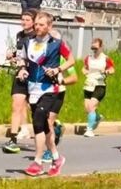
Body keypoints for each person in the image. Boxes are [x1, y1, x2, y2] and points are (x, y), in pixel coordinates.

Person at [19, 11, 69, 175]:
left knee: (39, 118)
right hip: (33, 88)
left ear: (49, 26)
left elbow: (71, 60)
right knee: (41, 126)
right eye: (37, 24)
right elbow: (24, 61)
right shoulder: (28, 42)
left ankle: (37, 162)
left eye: (41, 25)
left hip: (50, 89)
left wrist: (58, 69)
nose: (38, 27)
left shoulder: (57, 43)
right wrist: (22, 70)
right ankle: (56, 158)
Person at [4, 10, 36, 153]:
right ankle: (13, 139)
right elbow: (20, 54)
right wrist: (13, 56)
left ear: (34, 22)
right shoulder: (20, 35)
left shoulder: (37, 36)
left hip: (35, 75)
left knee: (35, 109)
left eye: (27, 19)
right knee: (16, 105)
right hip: (20, 74)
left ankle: (52, 129)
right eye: (22, 19)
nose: (24, 22)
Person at [82, 38, 115, 137]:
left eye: (96, 47)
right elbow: (84, 68)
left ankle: (89, 130)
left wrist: (108, 71)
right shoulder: (88, 57)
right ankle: (97, 117)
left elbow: (112, 69)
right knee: (87, 108)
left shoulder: (105, 58)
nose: (95, 49)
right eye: (93, 47)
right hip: (88, 84)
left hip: (99, 85)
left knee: (91, 106)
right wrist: (84, 71)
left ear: (101, 47)